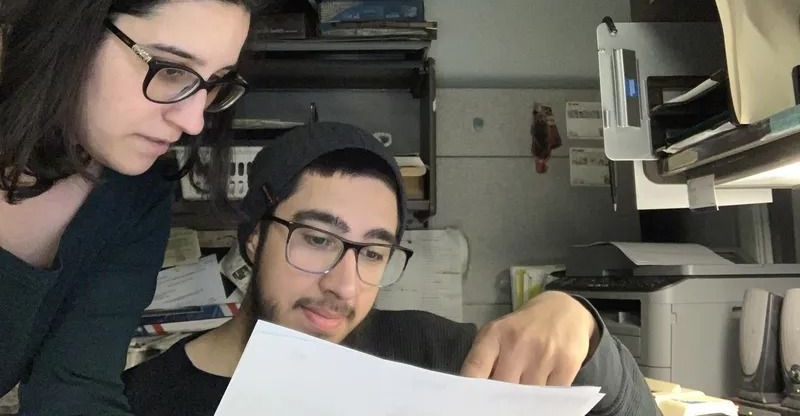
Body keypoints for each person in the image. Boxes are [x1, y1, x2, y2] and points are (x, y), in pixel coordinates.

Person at [123, 122, 659, 416]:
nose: (344, 285)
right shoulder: (142, 400)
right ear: (255, 238)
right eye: (316, 239)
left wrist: (579, 326)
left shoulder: (433, 355)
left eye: (373, 252)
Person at [0, 0, 256, 415]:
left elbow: (75, 387)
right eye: (169, 69)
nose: (192, 121)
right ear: (75, 24)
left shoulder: (133, 198)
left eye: (213, 85)